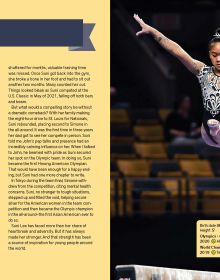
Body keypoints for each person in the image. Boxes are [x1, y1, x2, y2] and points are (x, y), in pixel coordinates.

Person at [134, 14, 220, 147]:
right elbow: (176, 50)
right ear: (210, 55)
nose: (218, 59)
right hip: (208, 131)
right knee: (213, 124)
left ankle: (217, 130)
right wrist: (152, 31)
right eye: (215, 55)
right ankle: (215, 129)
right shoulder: (203, 71)